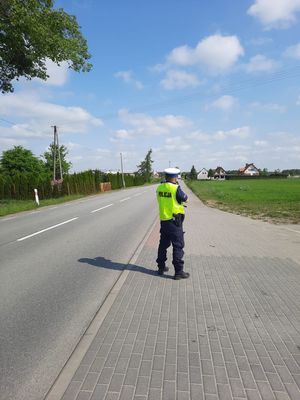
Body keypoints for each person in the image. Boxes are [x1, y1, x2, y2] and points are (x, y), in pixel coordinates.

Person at [156, 168, 190, 280]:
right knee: (178, 245)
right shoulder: (175, 188)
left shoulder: (159, 187)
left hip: (164, 220)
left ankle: (161, 267)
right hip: (175, 222)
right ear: (175, 177)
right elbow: (185, 198)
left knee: (163, 245)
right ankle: (179, 272)